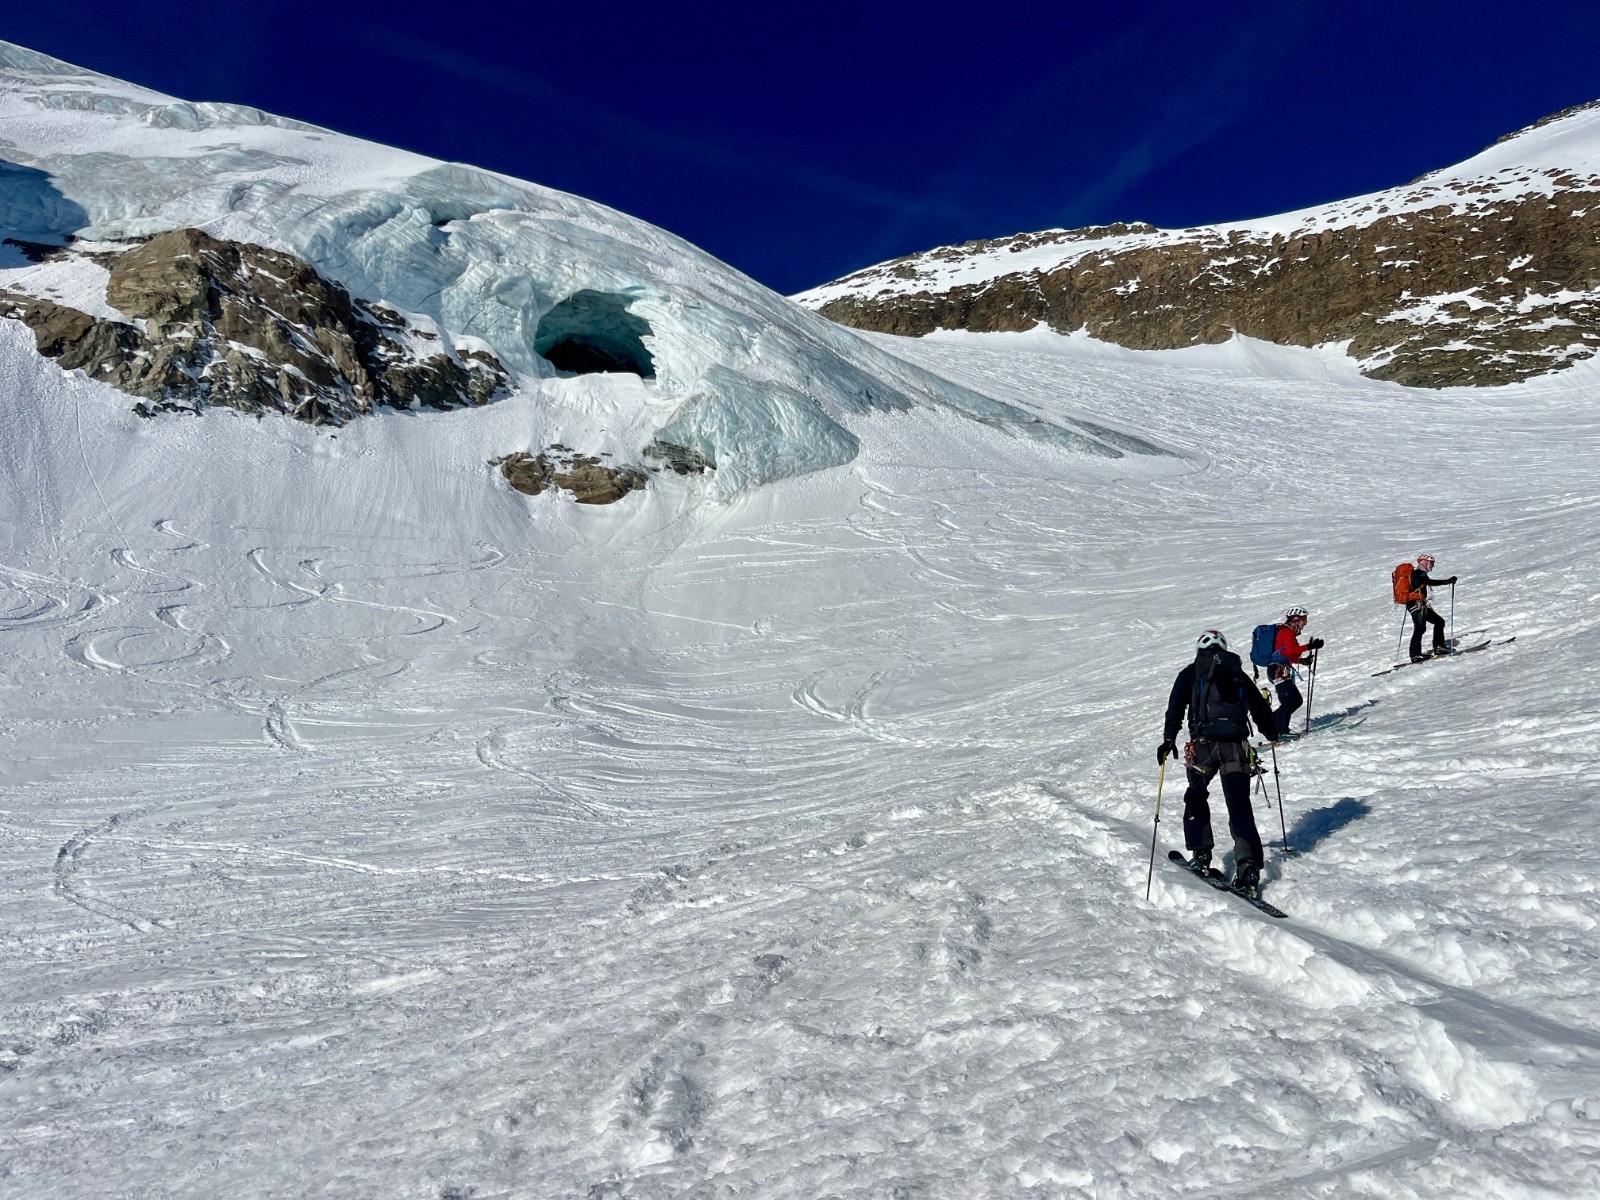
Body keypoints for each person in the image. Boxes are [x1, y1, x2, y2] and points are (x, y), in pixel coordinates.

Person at [1157, 630, 1280, 897]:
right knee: (1239, 805)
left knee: (1196, 796)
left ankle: (1201, 854)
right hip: (1236, 749)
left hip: (1203, 749)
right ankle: (1247, 869)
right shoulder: (1236, 673)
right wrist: (1270, 732)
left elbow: (1175, 707)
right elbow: (1259, 706)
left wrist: (1169, 739)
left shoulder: (1191, 673)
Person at [1268, 606, 1324, 737]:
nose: (1305, 623)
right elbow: (1291, 650)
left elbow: (1289, 654)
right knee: (1289, 701)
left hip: (1281, 669)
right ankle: (1281, 730)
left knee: (1296, 700)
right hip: (1278, 670)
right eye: (1304, 620)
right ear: (1296, 619)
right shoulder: (1287, 632)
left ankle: (1272, 724)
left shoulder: (1288, 633)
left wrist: (1304, 661)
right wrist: (1310, 646)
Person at [1404, 553, 1457, 662]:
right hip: (1416, 604)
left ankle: (1439, 647)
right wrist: (1446, 581)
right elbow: (1429, 582)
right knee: (1420, 628)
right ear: (1425, 562)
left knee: (1439, 621)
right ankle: (1415, 654)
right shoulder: (1420, 573)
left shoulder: (1418, 573)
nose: (1433, 565)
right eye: (1431, 563)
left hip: (1419, 604)